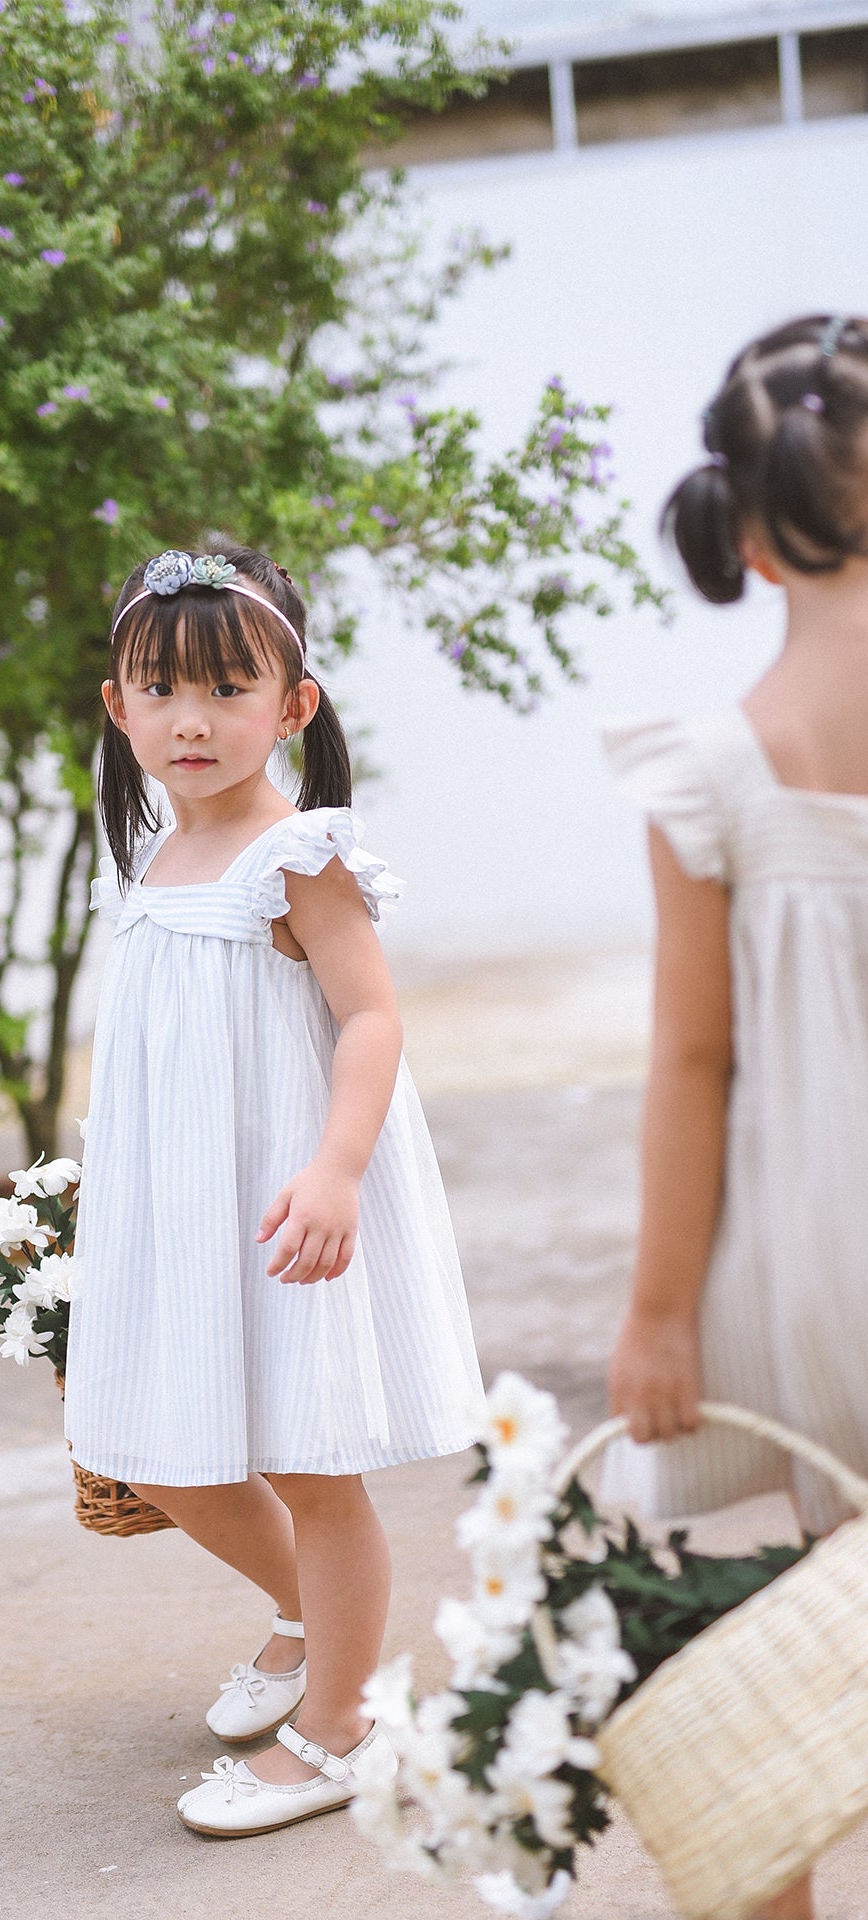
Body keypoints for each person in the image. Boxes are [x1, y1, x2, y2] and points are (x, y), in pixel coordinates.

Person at [64, 543, 484, 1837]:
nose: (193, 720)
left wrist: (338, 1169)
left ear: (293, 705)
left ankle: (343, 1724)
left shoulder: (296, 856)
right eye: (163, 688)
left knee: (311, 1457)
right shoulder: (151, 862)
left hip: (290, 1203)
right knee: (161, 1451)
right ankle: (314, 1623)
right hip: (185, 1210)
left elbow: (369, 1020)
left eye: (229, 688)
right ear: (118, 705)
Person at [603, 315, 868, 1920]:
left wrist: (653, 1316)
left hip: (803, 1266)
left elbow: (689, 1061)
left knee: (788, 1660)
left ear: (751, 540)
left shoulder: (711, 772)